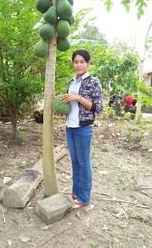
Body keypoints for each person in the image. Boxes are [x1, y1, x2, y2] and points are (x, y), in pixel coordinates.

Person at [61, 49, 103, 208]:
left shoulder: (93, 82)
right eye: (76, 62)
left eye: (82, 62)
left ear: (88, 63)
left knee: (84, 162)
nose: (78, 65)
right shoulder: (72, 82)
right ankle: (75, 193)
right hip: (70, 126)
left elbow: (98, 108)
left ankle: (84, 198)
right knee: (74, 161)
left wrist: (78, 97)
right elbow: (70, 103)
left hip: (83, 127)